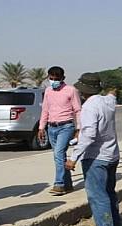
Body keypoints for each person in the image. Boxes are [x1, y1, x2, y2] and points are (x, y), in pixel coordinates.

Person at [65, 73, 122, 226]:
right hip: (112, 154)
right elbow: (113, 94)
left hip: (96, 157)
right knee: (109, 192)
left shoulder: (89, 107)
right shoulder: (108, 101)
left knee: (97, 195)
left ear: (83, 92)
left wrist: (74, 157)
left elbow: (89, 134)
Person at [39, 66, 82, 196]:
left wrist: (79, 129)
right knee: (59, 157)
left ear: (62, 78)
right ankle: (68, 184)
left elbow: (78, 110)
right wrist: (41, 127)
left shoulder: (71, 90)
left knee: (58, 153)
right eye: (51, 79)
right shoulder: (47, 91)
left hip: (66, 126)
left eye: (56, 79)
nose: (53, 81)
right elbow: (45, 109)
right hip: (51, 127)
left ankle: (59, 184)